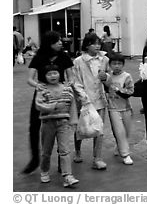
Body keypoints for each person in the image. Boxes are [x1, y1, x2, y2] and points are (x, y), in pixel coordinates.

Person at [23, 31, 78, 175]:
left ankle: (62, 163)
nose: (61, 42)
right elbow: (30, 79)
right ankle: (35, 160)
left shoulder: (64, 56)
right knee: (34, 125)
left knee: (62, 126)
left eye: (60, 40)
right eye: (57, 41)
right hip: (43, 94)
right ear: (49, 43)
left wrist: (67, 85)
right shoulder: (39, 57)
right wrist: (38, 86)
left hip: (61, 95)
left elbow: (71, 77)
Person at [35, 64, 81, 188]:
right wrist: (52, 107)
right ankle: (44, 171)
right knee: (46, 150)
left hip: (63, 123)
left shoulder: (67, 88)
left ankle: (67, 176)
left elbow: (72, 106)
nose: (53, 76)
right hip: (47, 123)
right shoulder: (42, 89)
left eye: (55, 73)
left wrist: (74, 122)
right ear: (44, 76)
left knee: (65, 150)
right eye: (49, 74)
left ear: (60, 73)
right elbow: (38, 105)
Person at [72, 33, 110, 169]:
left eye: (99, 43)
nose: (97, 46)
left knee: (99, 129)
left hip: (100, 99)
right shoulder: (78, 61)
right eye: (94, 43)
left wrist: (106, 77)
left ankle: (97, 158)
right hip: (84, 100)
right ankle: (77, 151)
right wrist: (83, 97)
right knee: (81, 127)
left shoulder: (104, 59)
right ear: (87, 45)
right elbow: (75, 81)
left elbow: (110, 77)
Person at [102, 52, 135, 164]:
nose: (117, 66)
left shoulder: (127, 76)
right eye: (114, 63)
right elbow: (104, 87)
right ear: (110, 64)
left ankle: (119, 146)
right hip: (113, 108)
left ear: (123, 64)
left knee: (126, 132)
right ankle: (125, 154)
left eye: (119, 63)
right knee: (119, 131)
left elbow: (131, 91)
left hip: (126, 108)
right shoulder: (108, 76)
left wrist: (120, 91)